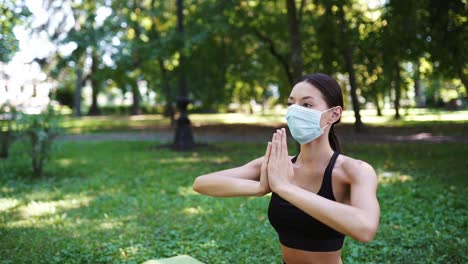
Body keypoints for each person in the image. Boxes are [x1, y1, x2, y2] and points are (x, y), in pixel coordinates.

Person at [192, 73, 380, 264]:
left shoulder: (355, 171)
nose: (295, 111)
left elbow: (365, 228)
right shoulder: (278, 165)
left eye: (307, 105)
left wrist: (285, 188)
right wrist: (260, 188)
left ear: (334, 114)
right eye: (292, 104)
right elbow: (201, 183)